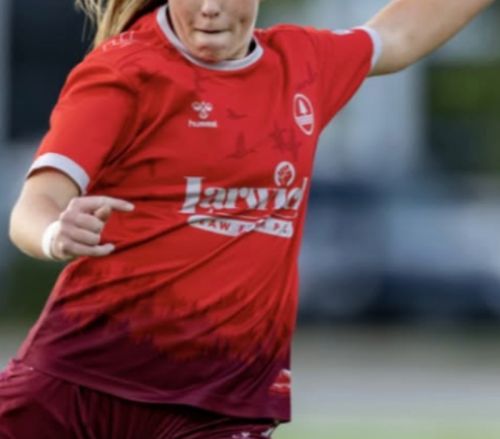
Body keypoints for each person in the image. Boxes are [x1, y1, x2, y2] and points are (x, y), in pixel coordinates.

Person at [0, 0, 495, 437]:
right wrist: (54, 233)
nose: (209, 8)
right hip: (78, 382)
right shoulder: (124, 70)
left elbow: (400, 35)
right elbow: (34, 206)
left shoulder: (302, 63)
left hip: (224, 402)